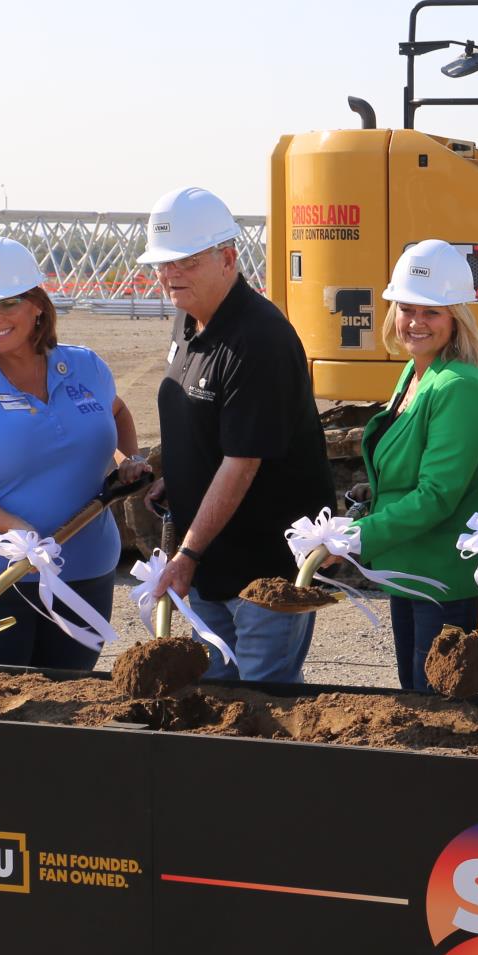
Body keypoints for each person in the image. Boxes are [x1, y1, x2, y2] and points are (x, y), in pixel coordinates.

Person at [0, 236, 150, 671]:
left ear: (37, 304)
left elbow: (116, 413)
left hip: (82, 569)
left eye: (6, 303)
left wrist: (126, 461)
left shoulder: (86, 367)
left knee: (68, 705)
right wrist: (16, 530)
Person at [142, 186, 335, 684]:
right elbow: (203, 422)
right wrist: (177, 474)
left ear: (227, 258)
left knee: (259, 707)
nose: (169, 275)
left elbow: (243, 460)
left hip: (261, 569)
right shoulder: (188, 321)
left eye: (184, 261)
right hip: (210, 559)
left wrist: (186, 554)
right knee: (212, 703)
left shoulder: (259, 339)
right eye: (163, 264)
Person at [353, 240, 478, 694]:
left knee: (435, 712)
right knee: (414, 698)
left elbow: (437, 494)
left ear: (456, 317)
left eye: (432, 312)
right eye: (407, 309)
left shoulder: (457, 386)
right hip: (413, 573)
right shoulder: (418, 373)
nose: (416, 322)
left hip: (442, 583)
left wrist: (362, 535)